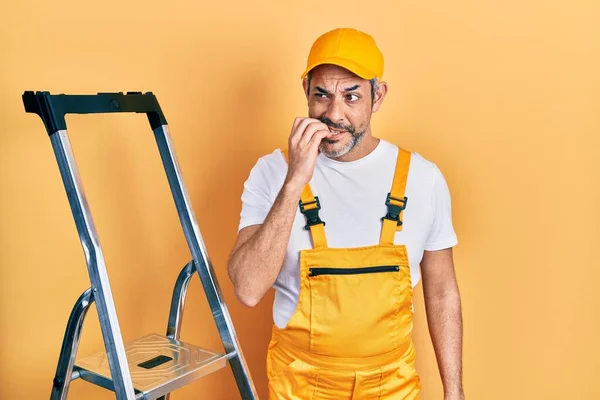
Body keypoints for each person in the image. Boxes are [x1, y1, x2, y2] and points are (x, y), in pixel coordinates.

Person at [227, 27, 464, 400]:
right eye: (321, 94)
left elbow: (442, 290)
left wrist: (454, 391)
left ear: (378, 96)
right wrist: (294, 183)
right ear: (305, 89)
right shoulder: (272, 172)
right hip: (299, 388)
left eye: (351, 96)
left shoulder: (423, 179)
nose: (333, 114)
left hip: (393, 388)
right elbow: (248, 290)